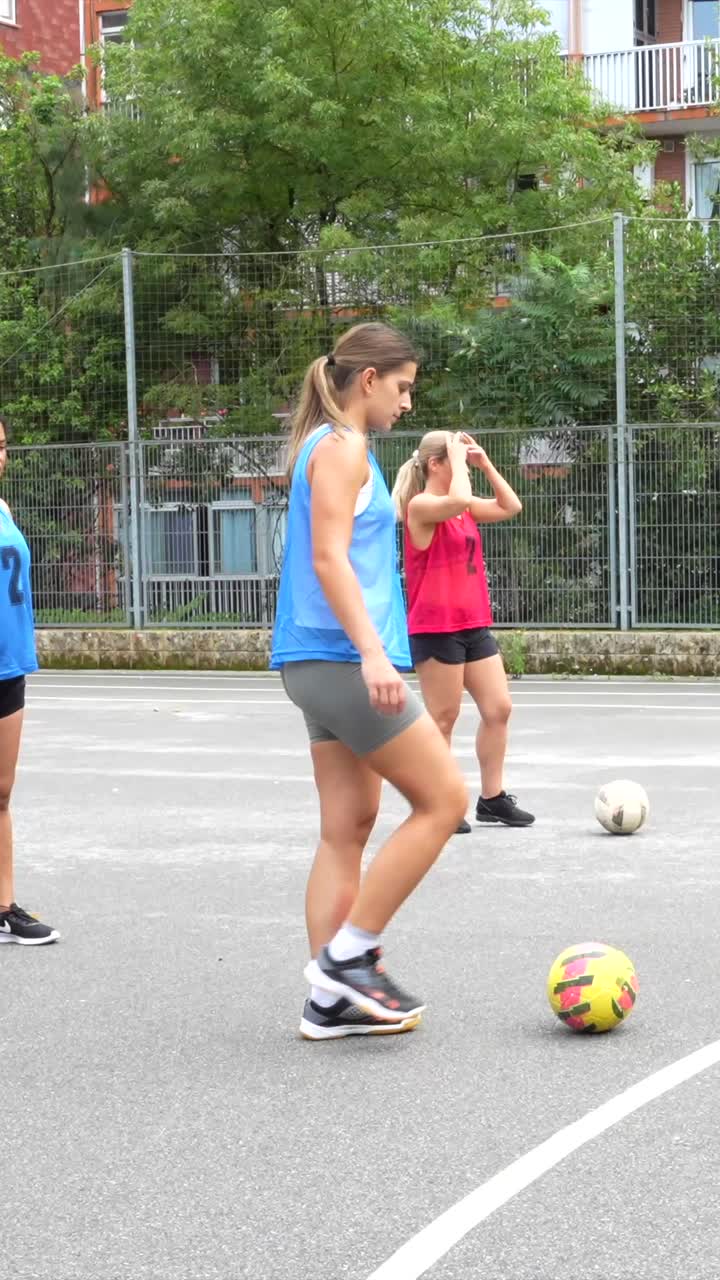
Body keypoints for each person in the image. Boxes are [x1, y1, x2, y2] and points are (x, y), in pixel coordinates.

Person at [271, 324, 466, 1041]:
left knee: (347, 827)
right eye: (404, 386)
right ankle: (349, 959)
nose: (409, 403)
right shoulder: (343, 448)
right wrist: (374, 656)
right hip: (342, 660)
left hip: (322, 661)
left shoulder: (336, 449)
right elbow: (328, 560)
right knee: (444, 800)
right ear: (368, 381)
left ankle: (328, 1002)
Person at [393, 429, 534, 834]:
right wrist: (458, 464)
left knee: (498, 708)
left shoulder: (462, 506)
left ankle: (492, 799)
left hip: (473, 623)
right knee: (443, 717)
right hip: (436, 627)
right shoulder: (421, 505)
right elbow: (454, 498)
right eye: (453, 454)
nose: (461, 458)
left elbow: (511, 505)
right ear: (435, 464)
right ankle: (437, 803)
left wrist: (483, 463)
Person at [0, 417, 59, 944]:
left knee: (0, 793)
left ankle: (4, 907)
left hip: (11, 666)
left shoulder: (4, 510)